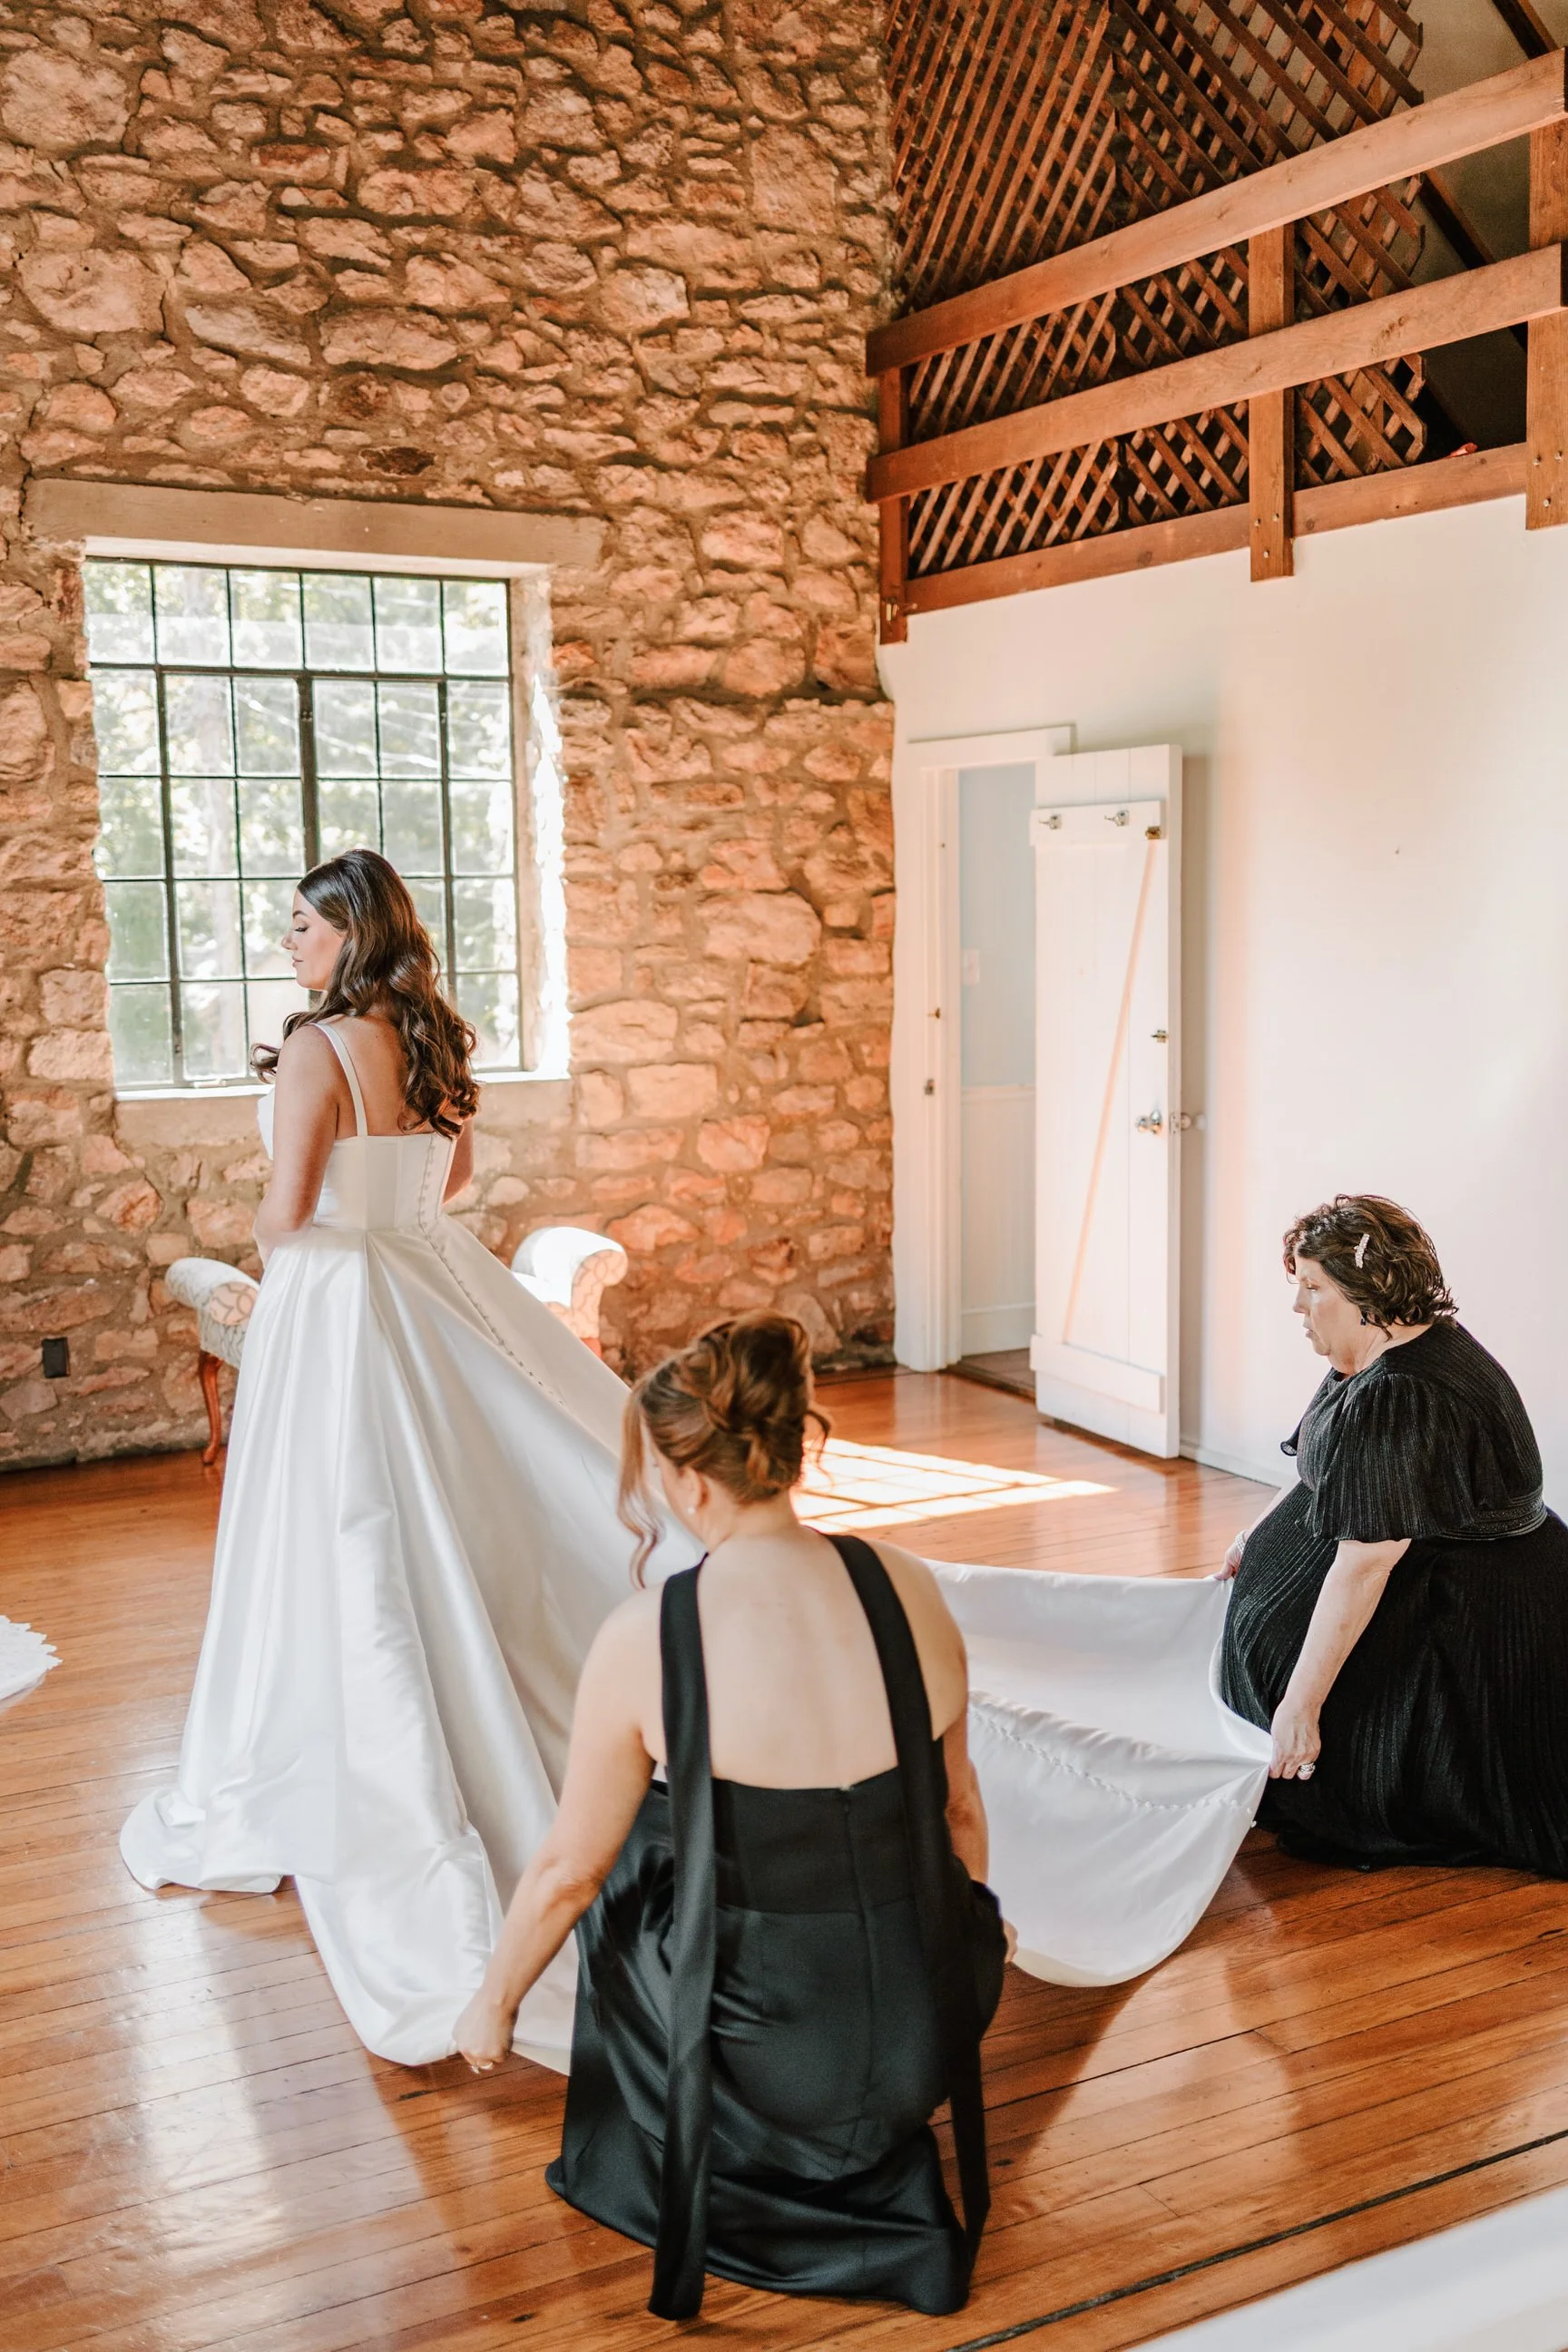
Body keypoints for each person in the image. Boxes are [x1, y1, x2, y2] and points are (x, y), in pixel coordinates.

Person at [120, 849, 686, 2064]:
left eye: (300, 927)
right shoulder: (426, 1037)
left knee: (344, 1522)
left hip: (336, 1297)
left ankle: (366, 1740)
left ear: (348, 933)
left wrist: (279, 1230)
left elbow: (284, 1214)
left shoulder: (318, 1047)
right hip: (430, 1277)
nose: (288, 945)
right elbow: (456, 1179)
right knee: (455, 1496)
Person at [453, 1314, 1009, 2318]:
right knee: (688, 1827)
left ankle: (697, 2166)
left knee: (621, 1867)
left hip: (774, 2055)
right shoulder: (910, 1589)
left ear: (692, 1481)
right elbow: (960, 1815)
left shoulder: (648, 1636)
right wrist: (974, 1928)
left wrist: (490, 2003)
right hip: (927, 2023)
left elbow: (566, 1875)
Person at [1220, 1193, 1568, 1874]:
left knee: (1361, 1743)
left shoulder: (1403, 1393)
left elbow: (1366, 1566)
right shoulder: (1374, 1354)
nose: (1297, 1307)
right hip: (1431, 1569)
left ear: (1364, 1294)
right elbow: (1320, 1465)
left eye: (1312, 1287)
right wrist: (1253, 1536)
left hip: (1473, 1610)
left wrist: (1302, 1707)